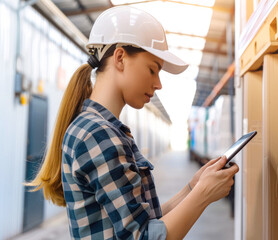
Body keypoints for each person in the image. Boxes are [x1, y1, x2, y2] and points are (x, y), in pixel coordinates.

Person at [28, 6, 239, 240]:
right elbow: (144, 236)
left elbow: (144, 220)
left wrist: (193, 187)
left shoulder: (102, 129)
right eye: (152, 69)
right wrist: (203, 195)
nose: (159, 84)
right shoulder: (98, 134)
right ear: (120, 58)